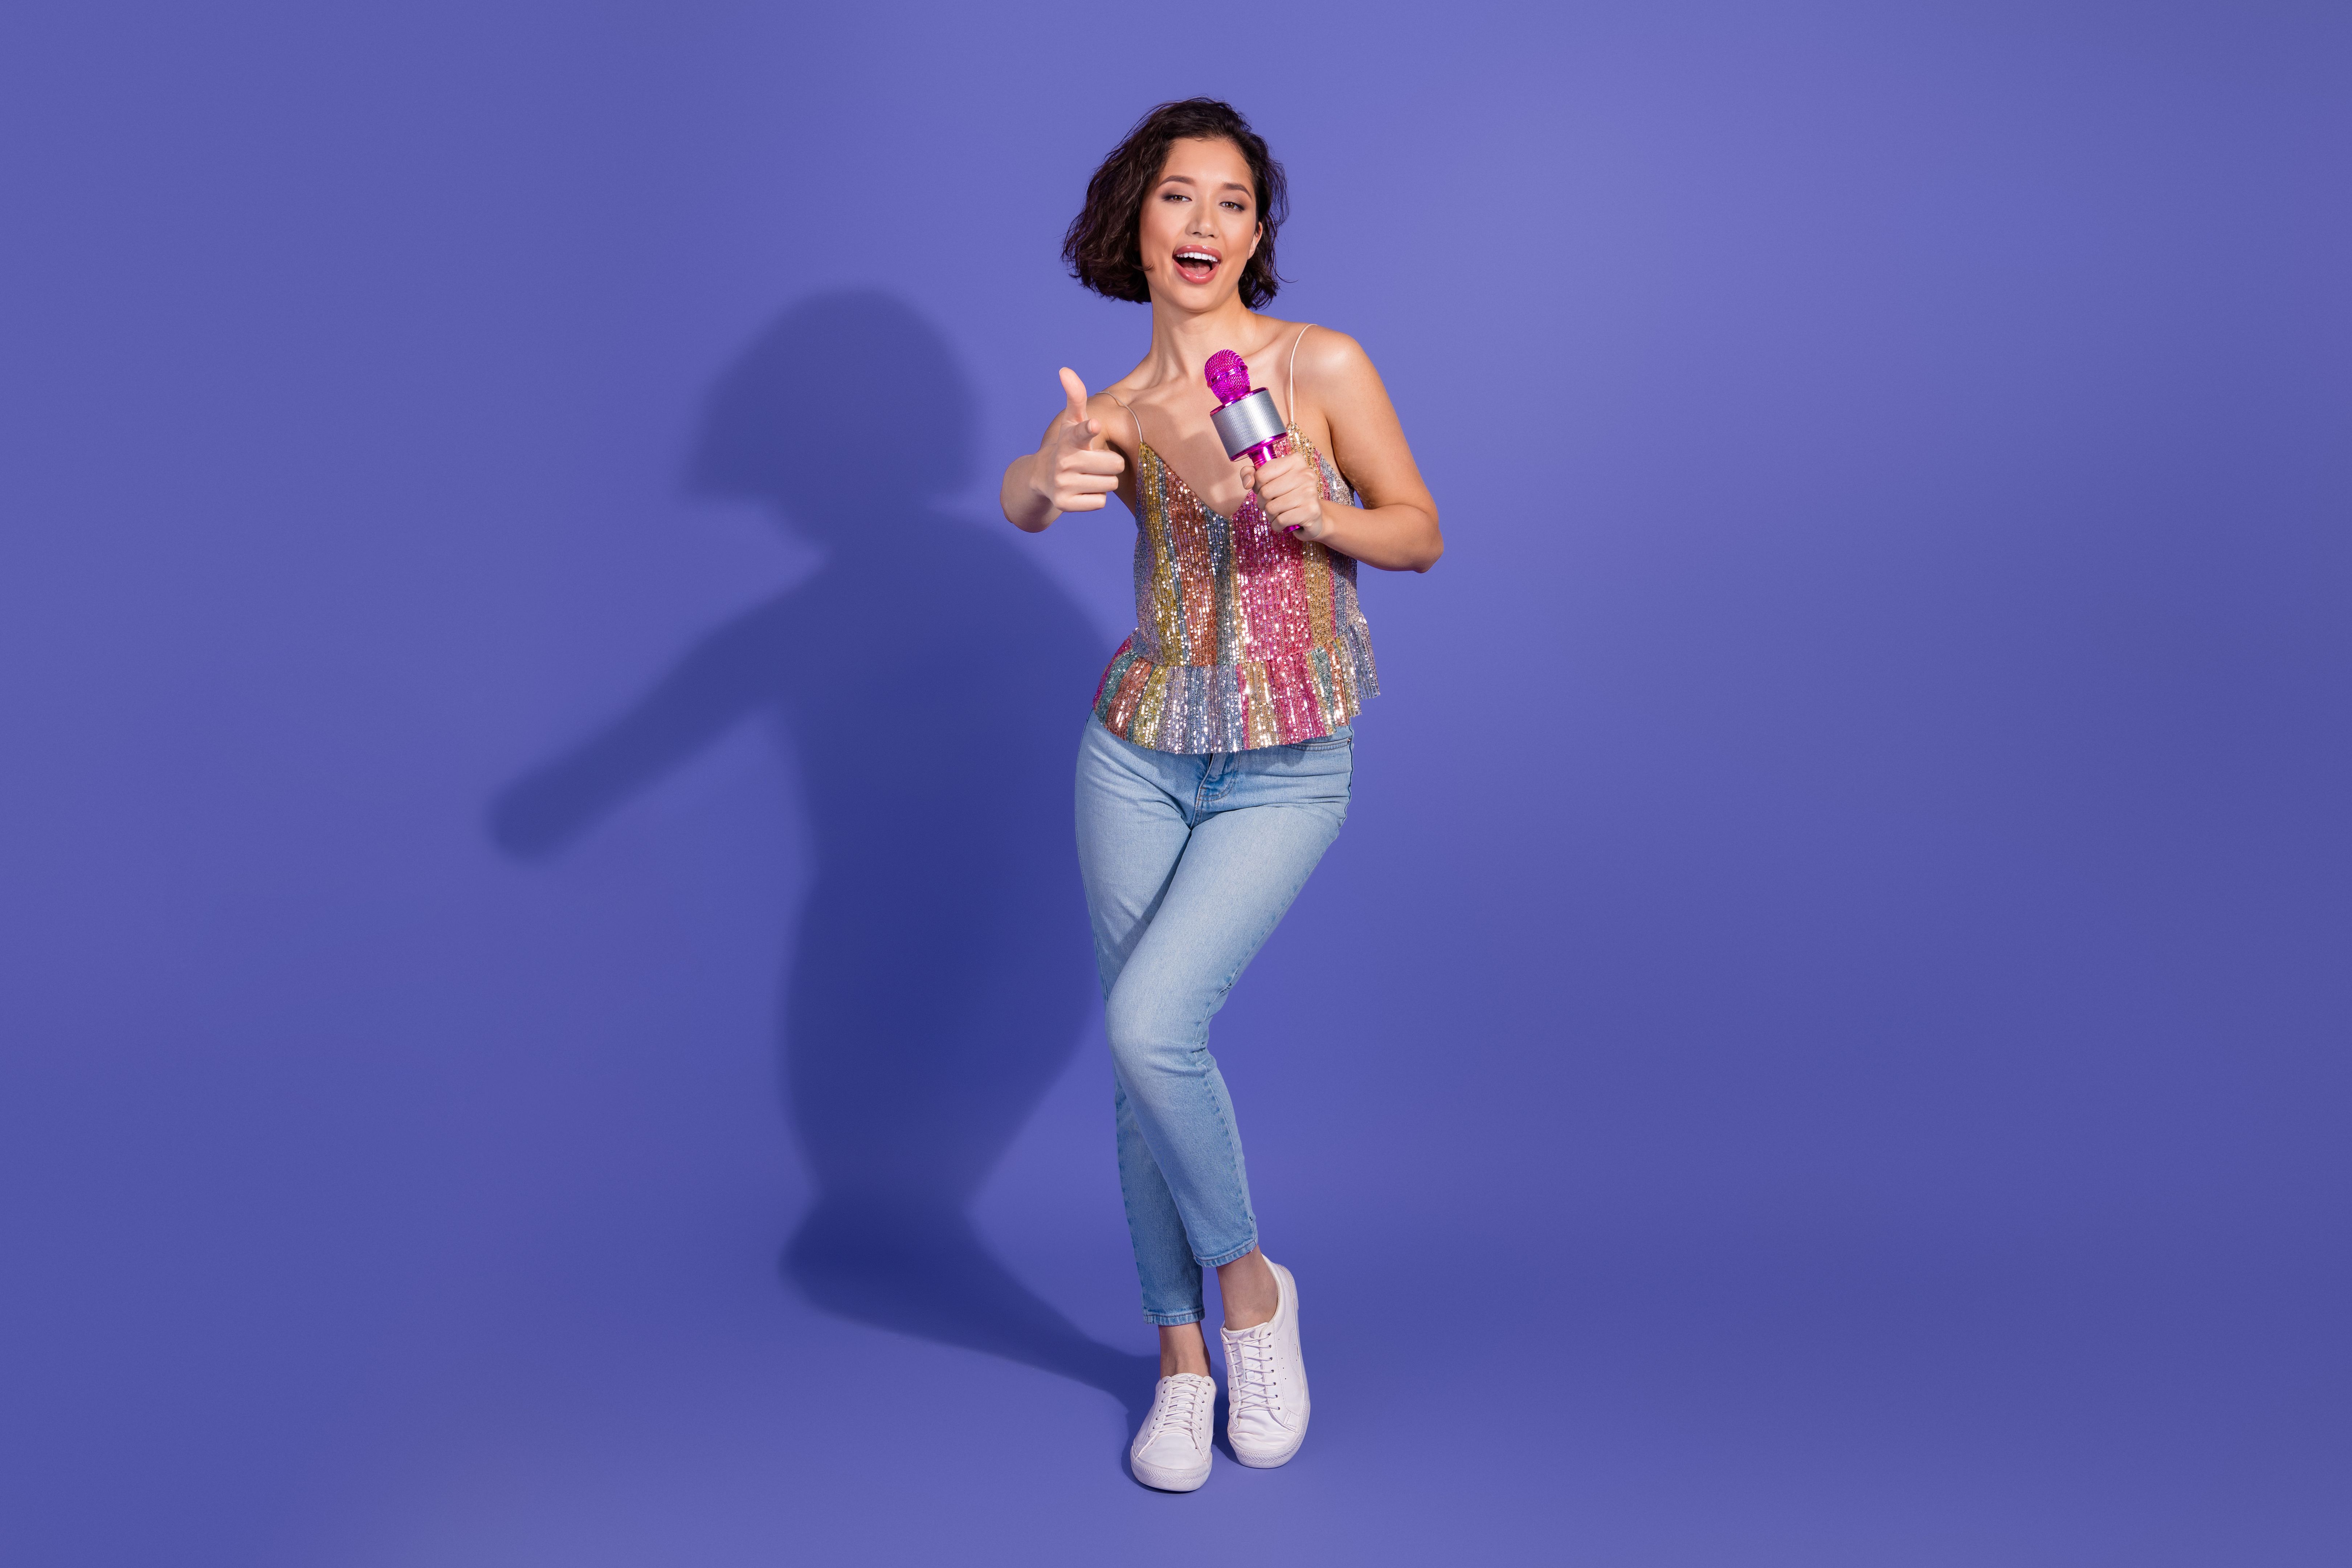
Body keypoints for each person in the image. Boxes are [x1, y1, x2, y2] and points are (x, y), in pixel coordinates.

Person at [1000, 98, 1443, 1491]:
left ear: (1260, 232)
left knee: (1151, 1021)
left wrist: (1329, 515)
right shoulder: (1120, 410)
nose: (1204, 224)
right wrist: (1038, 477)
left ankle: (1253, 1291)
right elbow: (1031, 491)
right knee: (1142, 1076)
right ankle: (1180, 1357)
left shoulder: (1319, 364)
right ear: (1136, 219)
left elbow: (1420, 531)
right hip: (1138, 746)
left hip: (1288, 759)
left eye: (1233, 202)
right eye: (1178, 197)